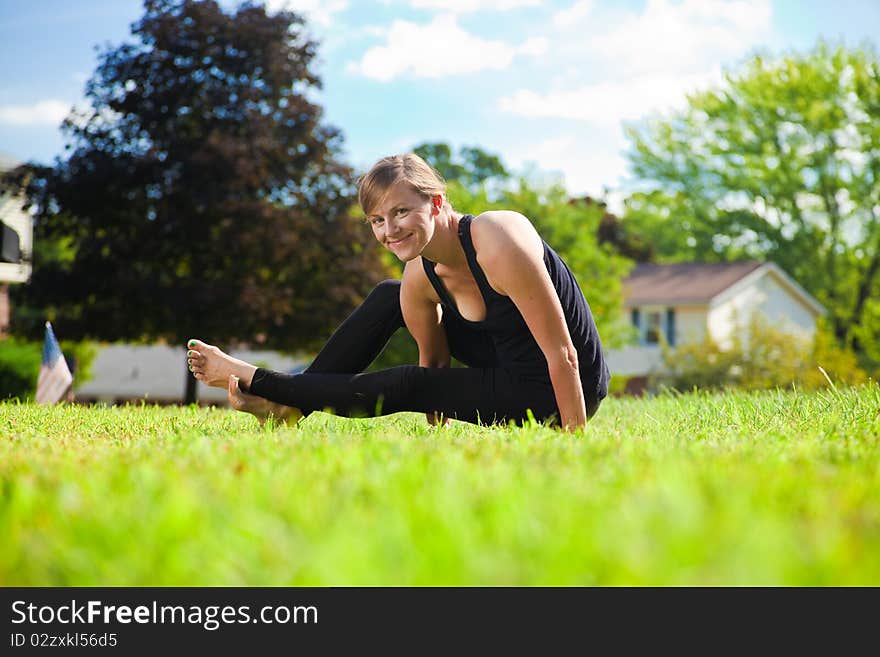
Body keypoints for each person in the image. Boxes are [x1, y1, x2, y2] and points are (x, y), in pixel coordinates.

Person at [186, 153, 609, 431]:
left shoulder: (497, 239)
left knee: (407, 382)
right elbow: (435, 363)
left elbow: (565, 354)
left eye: (402, 212)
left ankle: (259, 381)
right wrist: (436, 415)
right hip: (504, 367)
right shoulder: (420, 273)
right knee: (392, 295)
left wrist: (574, 441)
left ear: (438, 204)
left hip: (562, 389)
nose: (390, 231)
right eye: (377, 220)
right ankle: (292, 409)